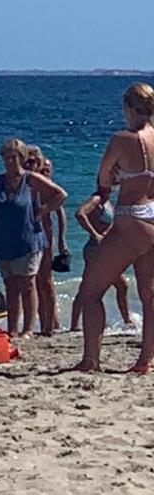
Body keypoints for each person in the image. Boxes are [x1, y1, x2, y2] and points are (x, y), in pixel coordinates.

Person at [75, 83, 154, 373]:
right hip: (153, 216)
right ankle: (145, 360)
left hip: (131, 217)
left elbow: (104, 178)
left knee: (90, 292)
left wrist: (118, 177)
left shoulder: (123, 139)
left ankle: (91, 360)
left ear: (129, 109)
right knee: (149, 294)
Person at [0, 138, 67, 338]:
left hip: (28, 240)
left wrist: (42, 211)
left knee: (28, 283)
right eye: (6, 158)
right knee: (10, 286)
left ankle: (28, 329)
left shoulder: (30, 179)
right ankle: (13, 327)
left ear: (21, 158)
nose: (9, 162)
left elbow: (60, 195)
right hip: (3, 241)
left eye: (13, 157)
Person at [70, 193, 132, 331]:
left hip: (106, 249)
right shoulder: (96, 199)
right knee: (90, 287)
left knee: (120, 286)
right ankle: (74, 324)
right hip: (95, 249)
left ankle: (127, 320)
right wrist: (95, 234)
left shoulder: (108, 202)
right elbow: (80, 214)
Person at [35, 157, 69, 335]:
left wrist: (62, 239)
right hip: (34, 238)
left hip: (46, 238)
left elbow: (60, 213)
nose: (45, 174)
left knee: (46, 281)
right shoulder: (36, 187)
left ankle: (51, 323)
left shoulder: (50, 190)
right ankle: (48, 322)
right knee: (37, 283)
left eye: (48, 171)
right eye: (43, 170)